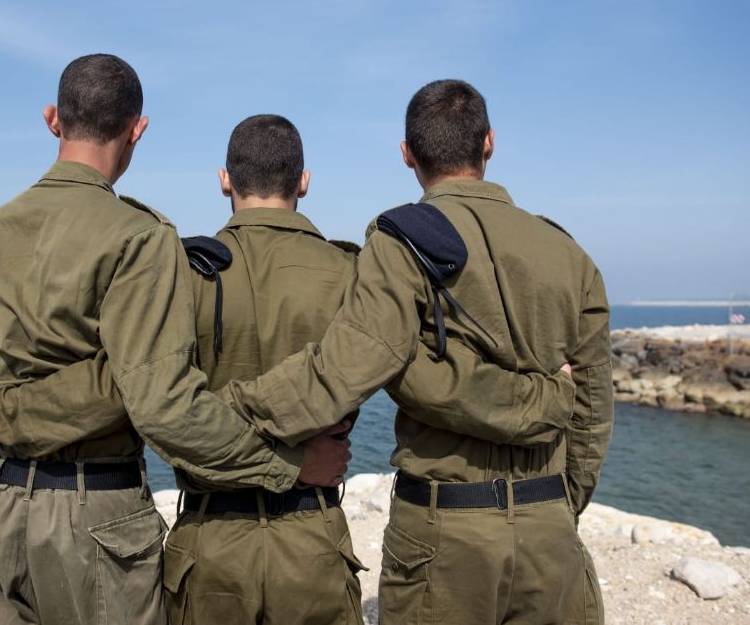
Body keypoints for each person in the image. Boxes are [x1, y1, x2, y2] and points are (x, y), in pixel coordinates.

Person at [0, 110, 581, 622]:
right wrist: (549, 399)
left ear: (224, 181)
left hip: (207, 542)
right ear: (304, 182)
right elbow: (420, 378)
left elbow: (145, 397)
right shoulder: (353, 273)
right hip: (312, 536)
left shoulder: (181, 275)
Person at [0, 55, 350, 625]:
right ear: (138, 129)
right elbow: (159, 404)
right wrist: (290, 466)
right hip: (93, 509)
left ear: (53, 119)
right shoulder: (138, 237)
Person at [219, 80, 614, 624]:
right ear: (489, 142)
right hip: (549, 523)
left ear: (407, 154)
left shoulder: (401, 240)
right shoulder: (570, 253)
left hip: (446, 526)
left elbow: (351, 367)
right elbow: (592, 411)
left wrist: (225, 410)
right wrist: (559, 503)